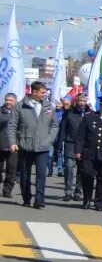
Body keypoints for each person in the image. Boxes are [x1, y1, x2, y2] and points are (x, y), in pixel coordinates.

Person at [14, 80, 57, 208]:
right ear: (34, 92)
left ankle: (39, 199)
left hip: (43, 146)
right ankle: (26, 198)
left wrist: (49, 139)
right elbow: (12, 125)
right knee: (25, 174)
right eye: (42, 92)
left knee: (41, 174)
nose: (44, 94)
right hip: (25, 145)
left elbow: (55, 125)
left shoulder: (49, 106)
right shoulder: (20, 106)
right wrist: (13, 142)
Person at [75, 94, 102, 210]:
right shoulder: (89, 117)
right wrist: (78, 150)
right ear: (100, 106)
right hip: (89, 153)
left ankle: (99, 202)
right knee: (87, 175)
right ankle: (86, 198)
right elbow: (81, 135)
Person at [58, 93, 87, 202]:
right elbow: (62, 130)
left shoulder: (90, 113)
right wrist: (59, 145)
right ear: (76, 101)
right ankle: (68, 192)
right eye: (80, 101)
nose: (82, 103)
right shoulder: (69, 113)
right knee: (69, 167)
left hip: (85, 145)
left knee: (82, 169)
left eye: (84, 101)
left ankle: (77, 192)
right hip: (71, 143)